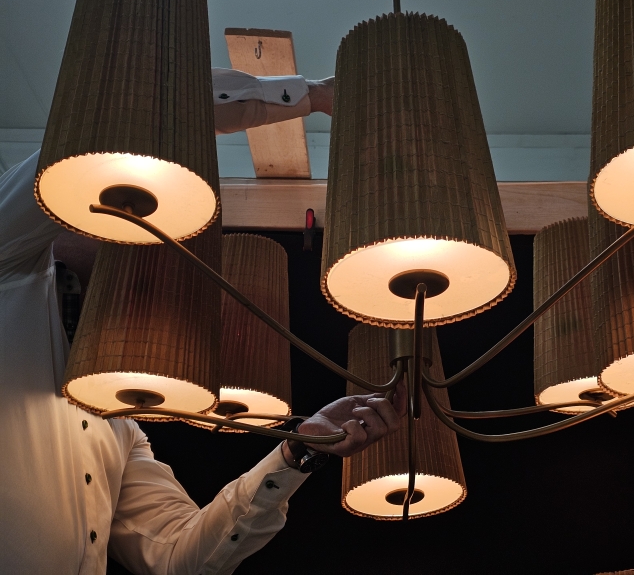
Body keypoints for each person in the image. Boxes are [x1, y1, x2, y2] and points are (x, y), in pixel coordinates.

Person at [0, 70, 405, 574]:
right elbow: (141, 114)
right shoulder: (7, 269)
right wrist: (315, 95)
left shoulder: (119, 423)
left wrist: (297, 452)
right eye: (126, 209)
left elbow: (179, 557)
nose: (152, 237)